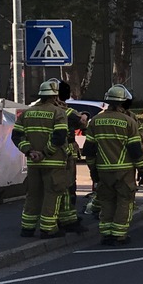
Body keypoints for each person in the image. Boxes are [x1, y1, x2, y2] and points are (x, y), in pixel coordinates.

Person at [83, 84, 143, 246]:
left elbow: (89, 150)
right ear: (122, 103)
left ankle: (106, 234)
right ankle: (119, 235)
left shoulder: (95, 121)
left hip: (103, 170)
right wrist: (142, 169)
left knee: (107, 201)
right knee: (124, 201)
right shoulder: (128, 122)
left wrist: (92, 169)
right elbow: (135, 150)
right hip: (124, 170)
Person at [13, 78, 72, 239]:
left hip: (33, 163)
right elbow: (59, 137)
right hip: (53, 163)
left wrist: (30, 151)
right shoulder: (58, 112)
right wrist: (45, 153)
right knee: (52, 194)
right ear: (54, 97)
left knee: (33, 194)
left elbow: (16, 136)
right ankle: (48, 229)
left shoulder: (27, 113)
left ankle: (27, 228)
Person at [56, 80, 88, 233]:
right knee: (68, 187)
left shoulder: (37, 110)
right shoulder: (68, 112)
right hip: (65, 153)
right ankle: (68, 219)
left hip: (45, 154)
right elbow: (83, 123)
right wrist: (84, 116)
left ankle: (53, 217)